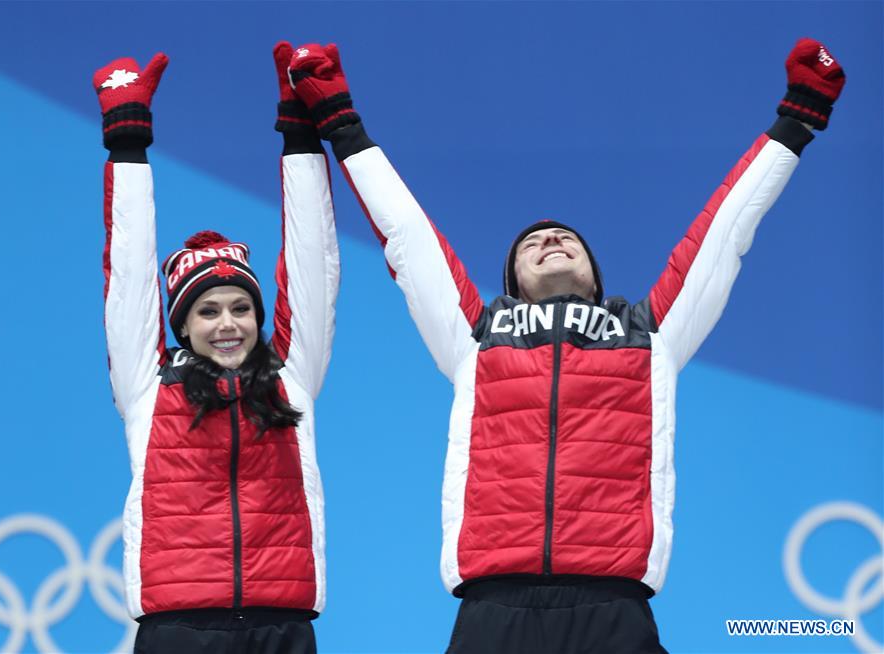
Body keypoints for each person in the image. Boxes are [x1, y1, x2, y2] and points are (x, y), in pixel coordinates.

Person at [284, 38, 845, 653]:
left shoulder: (650, 334)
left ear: (596, 275)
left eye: (564, 238)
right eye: (531, 243)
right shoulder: (476, 336)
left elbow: (726, 229)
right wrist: (342, 124)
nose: (549, 239)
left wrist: (796, 118)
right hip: (493, 605)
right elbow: (406, 236)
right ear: (512, 283)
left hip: (614, 605)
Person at [95, 42, 339, 653]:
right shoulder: (149, 388)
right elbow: (128, 276)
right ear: (182, 325)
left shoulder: (291, 379)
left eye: (240, 308)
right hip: (176, 631)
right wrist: (128, 146)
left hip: (282, 628)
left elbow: (312, 266)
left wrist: (302, 136)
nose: (227, 324)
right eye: (207, 311)